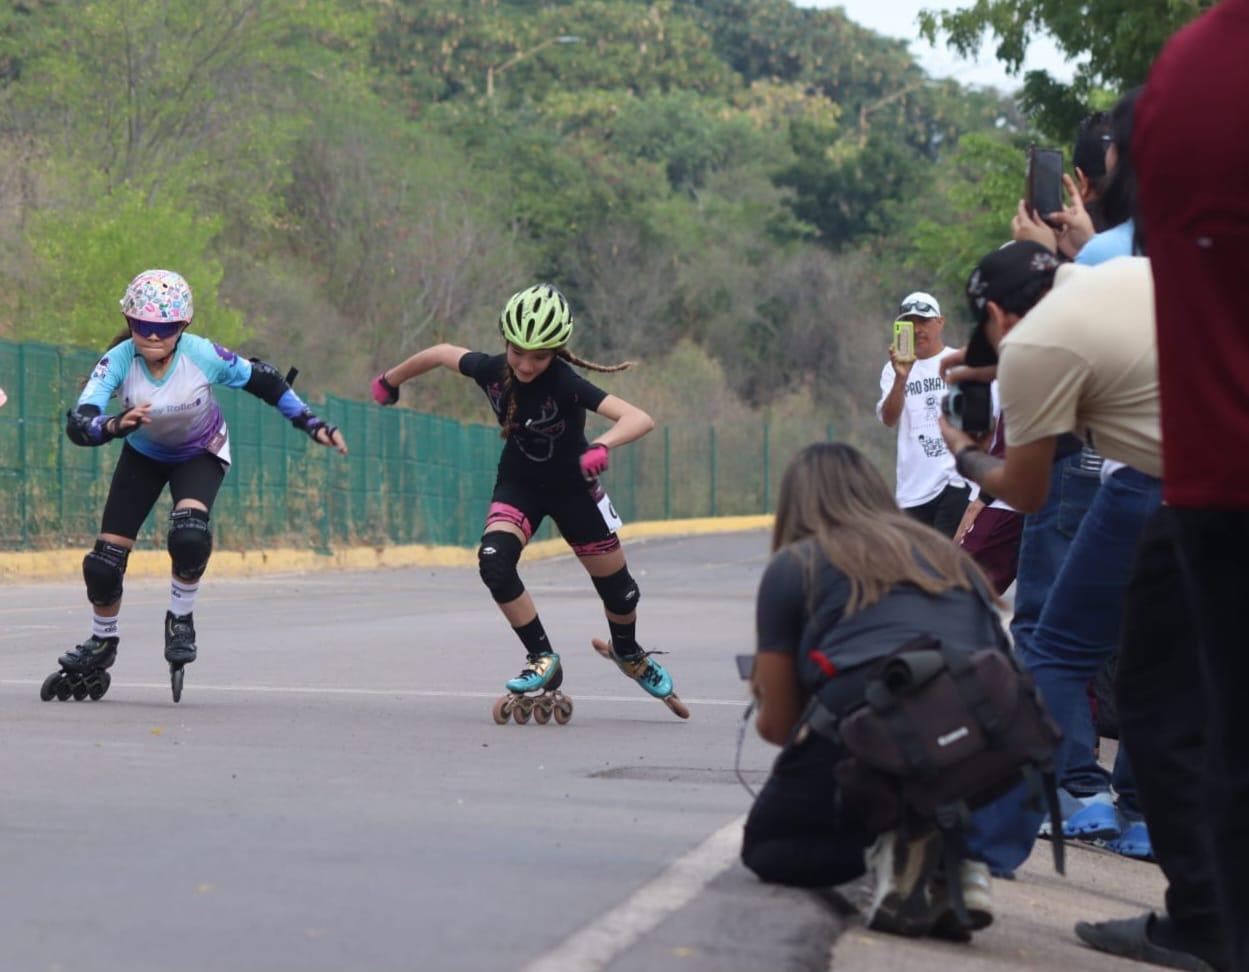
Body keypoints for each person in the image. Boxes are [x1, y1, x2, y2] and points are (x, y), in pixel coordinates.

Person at [941, 245, 1230, 968]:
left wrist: (963, 455)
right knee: (1185, 691)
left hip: (1159, 484)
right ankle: (1208, 912)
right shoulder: (1125, 275)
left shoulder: (1034, 345)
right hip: (1219, 480)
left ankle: (976, 853)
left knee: (1054, 653)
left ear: (996, 315)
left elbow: (1027, 490)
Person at [1073, 1, 1249, 966]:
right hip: (1191, 478)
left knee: (1190, 711)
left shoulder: (1187, 78)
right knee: (1166, 690)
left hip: (1211, 471)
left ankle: (1213, 923)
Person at [370, 283, 685, 721]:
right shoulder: (491, 369)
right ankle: (542, 658)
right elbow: (441, 352)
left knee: (622, 594)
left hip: (574, 489)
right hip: (519, 483)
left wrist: (603, 446)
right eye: (518, 352)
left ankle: (628, 654)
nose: (526, 365)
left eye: (539, 356)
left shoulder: (567, 383)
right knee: (494, 563)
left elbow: (639, 418)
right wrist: (391, 380)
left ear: (557, 352)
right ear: (506, 342)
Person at [741, 442, 1010, 941]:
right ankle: (953, 854)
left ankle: (888, 845)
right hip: (987, 745)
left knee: (767, 847)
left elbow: (779, 727)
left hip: (875, 723)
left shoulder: (796, 564)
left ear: (796, 504)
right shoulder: (951, 559)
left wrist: (768, 691)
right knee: (925, 748)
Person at [42, 269, 347, 704]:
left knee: (188, 533)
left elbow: (266, 380)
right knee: (103, 564)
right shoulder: (117, 361)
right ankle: (102, 640)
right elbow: (80, 424)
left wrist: (313, 424)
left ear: (182, 327)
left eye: (162, 329)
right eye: (141, 327)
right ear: (129, 322)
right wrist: (114, 424)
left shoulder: (202, 354)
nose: (150, 337)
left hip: (199, 452)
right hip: (144, 456)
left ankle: (180, 618)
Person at [875, 292, 969, 536]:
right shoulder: (893, 370)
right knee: (916, 565)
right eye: (910, 323)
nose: (918, 329)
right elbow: (889, 418)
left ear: (940, 322)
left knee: (942, 561)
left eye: (924, 321)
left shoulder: (958, 362)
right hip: (913, 488)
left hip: (954, 480)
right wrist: (901, 377)